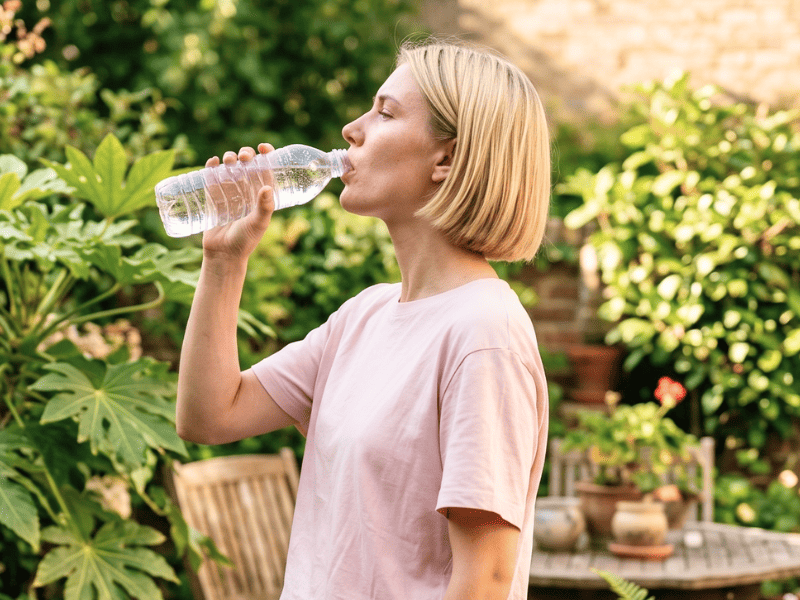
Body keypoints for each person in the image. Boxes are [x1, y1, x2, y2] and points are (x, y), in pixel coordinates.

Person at [176, 38, 551, 600]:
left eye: (385, 112)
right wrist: (224, 262)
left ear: (447, 159)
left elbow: (486, 582)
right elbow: (210, 416)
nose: (352, 128)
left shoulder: (483, 334)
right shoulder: (364, 316)